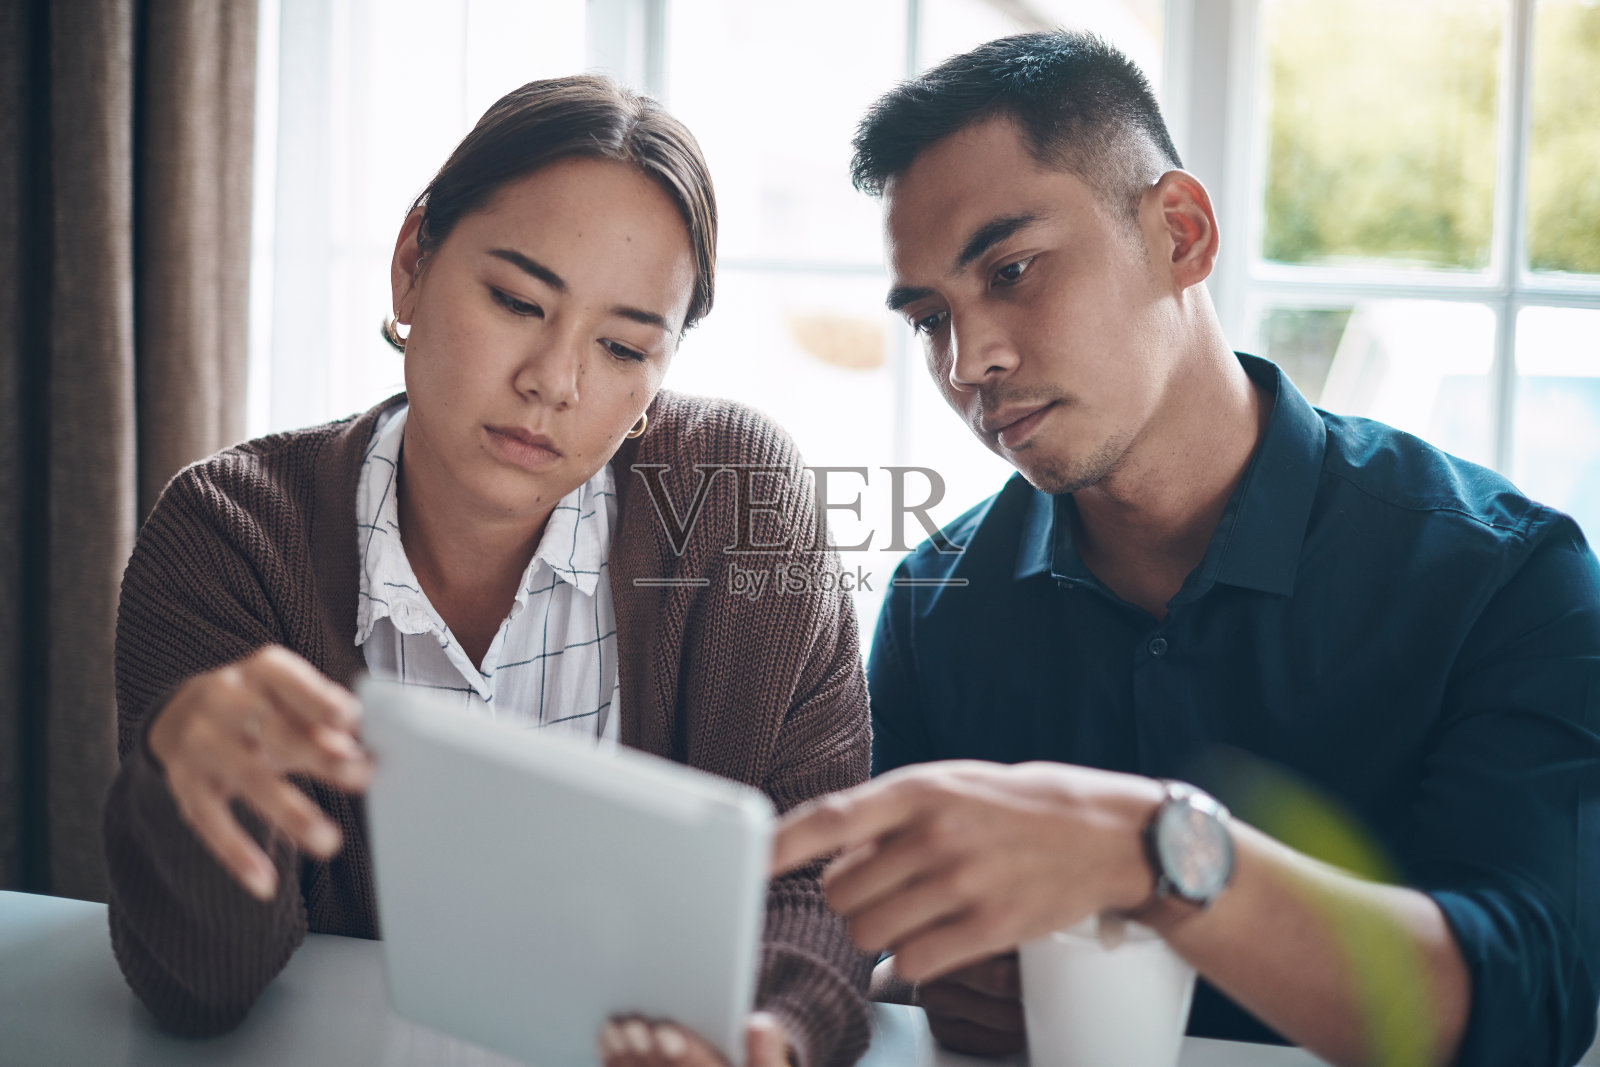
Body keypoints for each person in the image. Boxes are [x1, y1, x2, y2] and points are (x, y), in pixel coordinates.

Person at [772, 31, 1600, 1067]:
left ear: (1182, 232)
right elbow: (870, 949)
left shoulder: (1505, 578)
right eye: (931, 318)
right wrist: (936, 984)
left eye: (1012, 270)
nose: (969, 361)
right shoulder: (936, 602)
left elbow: (1531, 1003)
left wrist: (1150, 850)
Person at [103, 75, 873, 1067]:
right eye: (516, 300)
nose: (554, 380)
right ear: (411, 265)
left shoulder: (738, 503)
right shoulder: (229, 535)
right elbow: (200, 986)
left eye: (623, 346)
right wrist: (184, 790)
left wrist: (770, 1041)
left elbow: (823, 877)